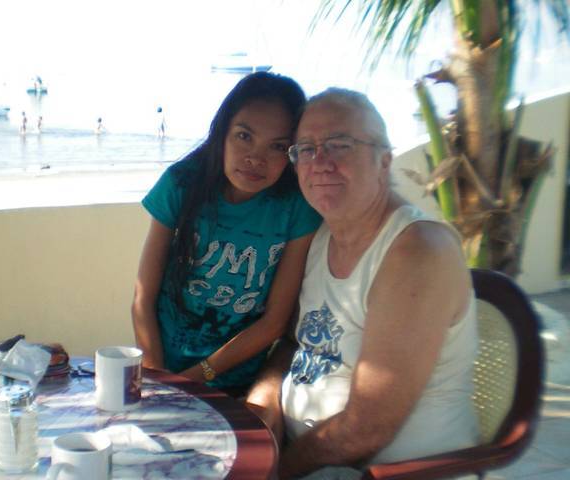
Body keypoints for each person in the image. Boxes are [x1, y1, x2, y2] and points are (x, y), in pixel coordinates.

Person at [245, 88, 479, 478]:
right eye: (306, 149)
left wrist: (273, 472)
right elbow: (291, 342)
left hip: (390, 470)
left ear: (384, 161)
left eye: (339, 145)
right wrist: (263, 401)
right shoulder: (322, 238)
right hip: (310, 456)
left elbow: (366, 429)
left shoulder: (417, 251)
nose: (320, 163)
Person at [131, 72, 321, 396]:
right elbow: (143, 299)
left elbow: (274, 322)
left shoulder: (296, 207)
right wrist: (160, 380)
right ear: (222, 132)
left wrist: (195, 377)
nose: (255, 158)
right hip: (161, 369)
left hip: (238, 381)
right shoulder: (181, 183)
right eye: (244, 136)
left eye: (277, 146)